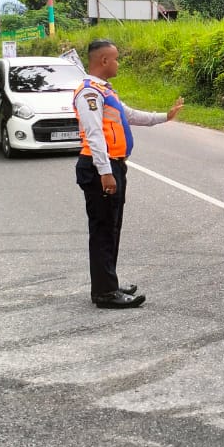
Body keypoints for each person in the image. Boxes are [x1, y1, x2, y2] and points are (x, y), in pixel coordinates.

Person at [74, 39, 184, 309]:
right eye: (115, 58)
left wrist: (163, 117)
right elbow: (94, 134)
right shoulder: (89, 93)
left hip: (114, 165)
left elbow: (130, 115)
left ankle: (108, 282)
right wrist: (105, 172)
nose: (118, 63)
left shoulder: (104, 91)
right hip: (101, 167)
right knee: (103, 230)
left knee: (111, 228)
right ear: (103, 61)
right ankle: (104, 293)